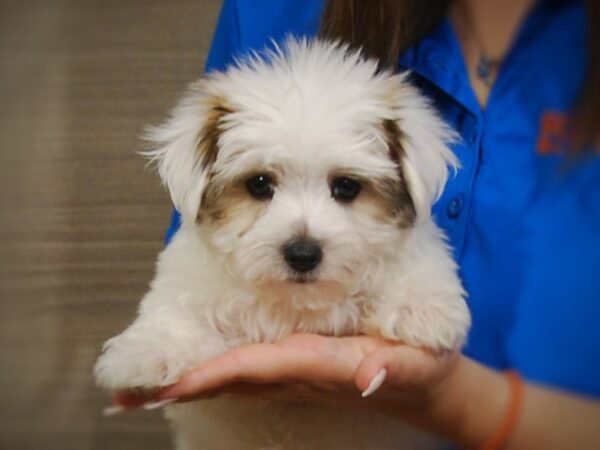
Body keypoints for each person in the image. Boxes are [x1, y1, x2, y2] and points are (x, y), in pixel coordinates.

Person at [125, 0, 600, 447]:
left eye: (347, 188)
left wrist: (453, 396)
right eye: (261, 186)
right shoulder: (267, 11)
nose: (302, 239)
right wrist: (171, 340)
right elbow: (187, 266)